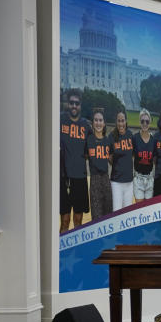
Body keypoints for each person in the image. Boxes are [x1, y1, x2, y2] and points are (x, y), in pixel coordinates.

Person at [60, 90, 92, 232]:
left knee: (78, 222)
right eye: (71, 103)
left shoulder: (86, 126)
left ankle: (76, 254)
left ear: (80, 105)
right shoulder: (60, 120)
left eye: (76, 103)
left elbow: (93, 148)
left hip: (79, 176)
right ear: (67, 104)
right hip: (63, 177)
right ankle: (61, 253)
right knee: (65, 221)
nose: (74, 106)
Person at [86, 108, 113, 220]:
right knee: (96, 218)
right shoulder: (89, 140)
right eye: (96, 120)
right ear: (92, 122)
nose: (98, 123)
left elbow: (112, 159)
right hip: (95, 180)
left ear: (104, 123)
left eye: (100, 120)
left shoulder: (108, 141)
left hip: (106, 179)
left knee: (108, 215)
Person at [109, 110, 134, 211]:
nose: (121, 124)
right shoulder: (111, 137)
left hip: (129, 182)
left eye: (122, 120)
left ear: (126, 121)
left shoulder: (130, 135)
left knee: (127, 213)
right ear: (116, 122)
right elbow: (110, 158)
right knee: (116, 212)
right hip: (116, 182)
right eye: (119, 121)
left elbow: (132, 154)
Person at [131, 109, 156, 201]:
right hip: (138, 179)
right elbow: (131, 155)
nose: (145, 123)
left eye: (147, 121)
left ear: (150, 122)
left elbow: (155, 159)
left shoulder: (153, 140)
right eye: (142, 121)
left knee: (148, 210)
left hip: (149, 179)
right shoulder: (135, 138)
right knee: (139, 209)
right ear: (139, 122)